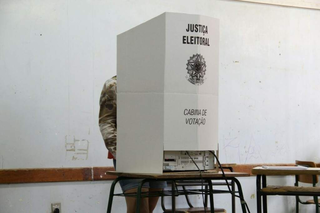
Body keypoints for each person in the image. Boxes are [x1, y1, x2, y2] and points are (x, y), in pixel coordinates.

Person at [99, 75, 166, 213]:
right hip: (129, 155)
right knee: (139, 208)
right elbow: (106, 122)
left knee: (147, 208)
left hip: (155, 154)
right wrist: (121, 153)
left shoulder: (156, 84)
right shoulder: (113, 85)